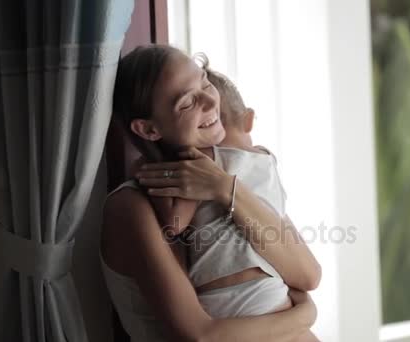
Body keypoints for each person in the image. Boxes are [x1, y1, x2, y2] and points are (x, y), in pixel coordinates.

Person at [101, 44, 321, 341]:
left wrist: (224, 187)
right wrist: (304, 314)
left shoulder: (230, 176)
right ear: (149, 129)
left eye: (204, 81)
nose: (209, 99)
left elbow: (308, 275)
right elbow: (200, 336)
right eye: (187, 102)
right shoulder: (131, 207)